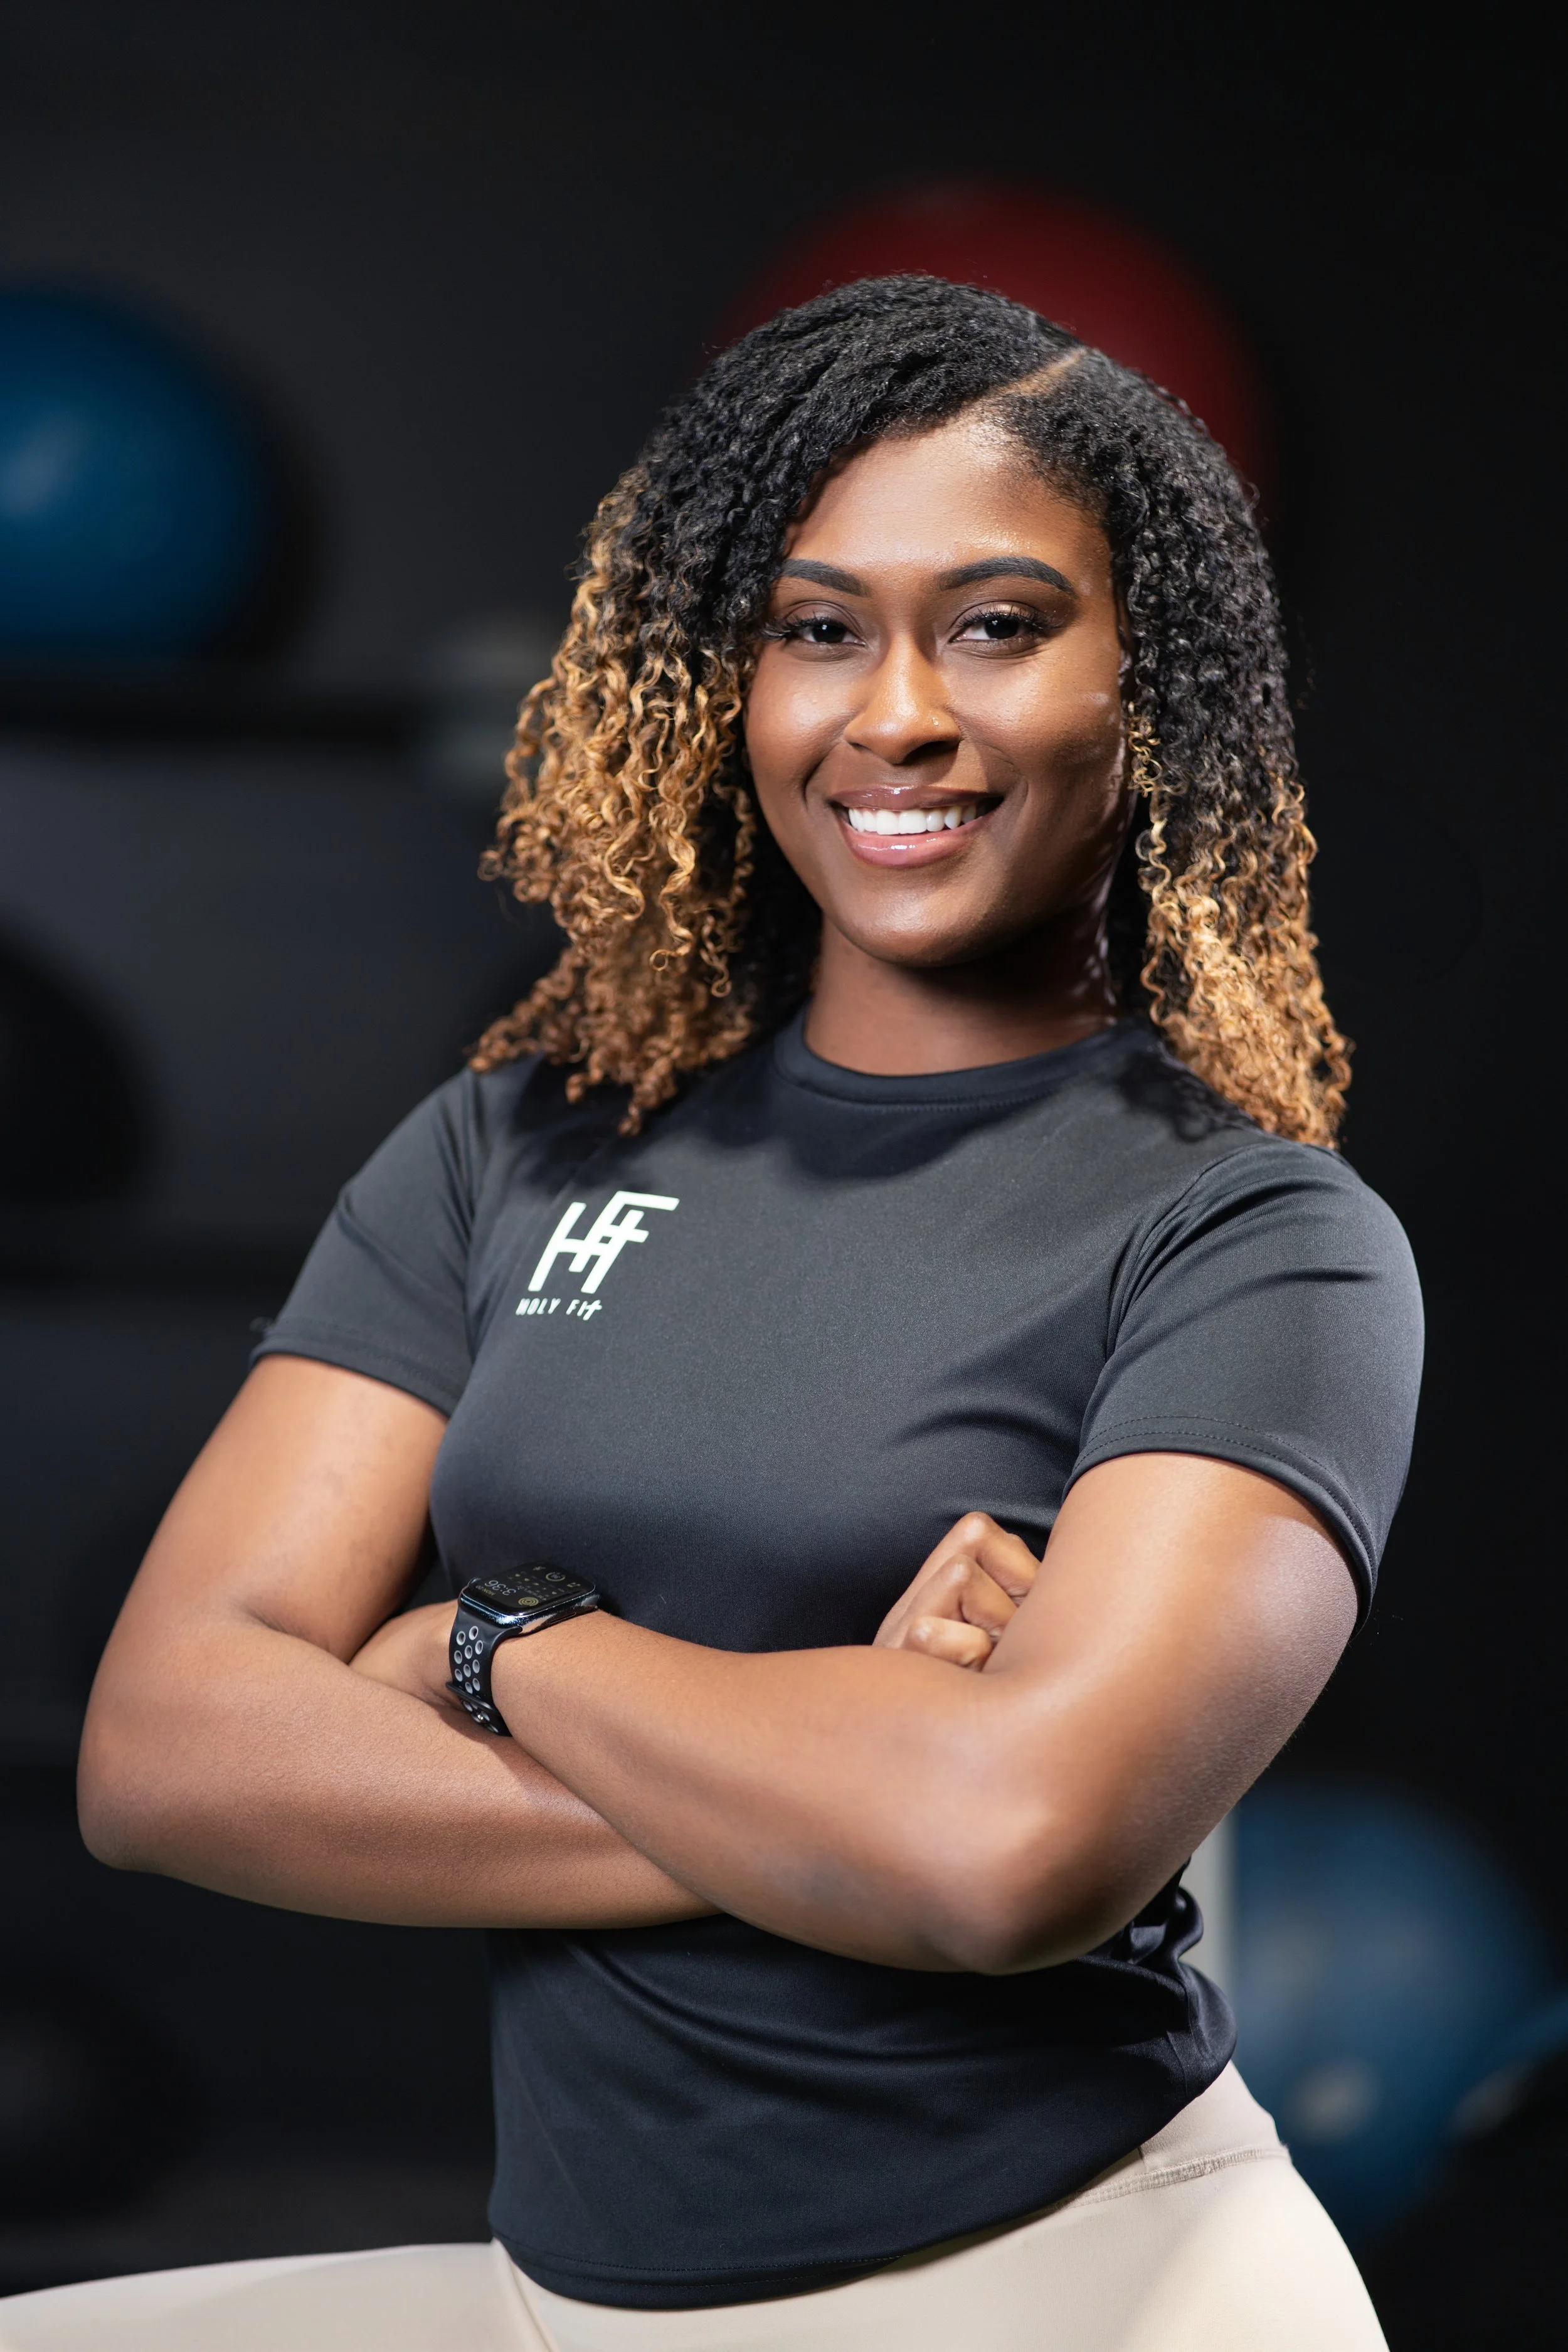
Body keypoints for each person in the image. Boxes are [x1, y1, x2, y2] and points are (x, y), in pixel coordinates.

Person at [19, 275, 1420, 2351]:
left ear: (1156, 685)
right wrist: (841, 1772)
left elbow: (1008, 1855)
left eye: (1001, 623)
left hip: (1079, 2286)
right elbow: (162, 1747)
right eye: (817, 625)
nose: (898, 715)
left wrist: (494, 1643)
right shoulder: (511, 1149)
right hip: (569, 2298)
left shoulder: (1256, 1238)